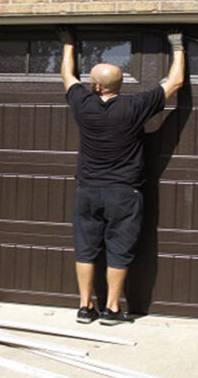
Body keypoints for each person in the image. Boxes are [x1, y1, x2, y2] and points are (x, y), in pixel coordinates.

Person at [58, 27, 185, 325]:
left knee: (85, 248)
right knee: (119, 249)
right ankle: (112, 309)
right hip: (123, 194)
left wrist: (67, 44)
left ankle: (85, 306)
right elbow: (176, 82)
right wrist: (177, 45)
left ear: (96, 87)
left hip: (88, 191)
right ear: (117, 85)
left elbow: (67, 76)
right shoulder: (133, 106)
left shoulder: (83, 105)